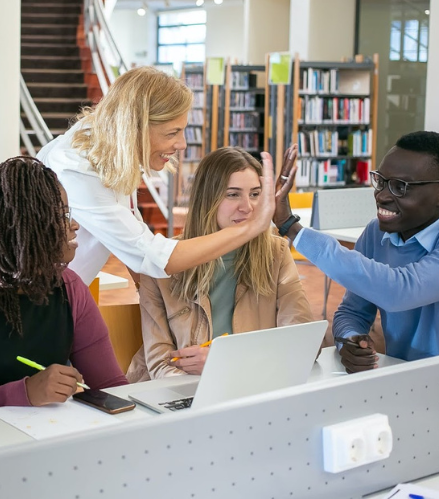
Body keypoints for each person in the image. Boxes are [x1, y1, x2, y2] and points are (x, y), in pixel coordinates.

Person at [273, 131, 439, 373]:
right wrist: (350, 340)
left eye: (399, 187)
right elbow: (352, 311)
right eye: (381, 181)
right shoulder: (377, 233)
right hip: (401, 379)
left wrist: (293, 228)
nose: (381, 196)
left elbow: (399, 290)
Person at [37, 66, 276, 285]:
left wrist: (153, 302)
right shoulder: (76, 170)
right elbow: (148, 255)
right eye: (172, 133)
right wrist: (250, 228)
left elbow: (132, 235)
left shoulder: (111, 147)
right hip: (37, 300)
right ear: (135, 129)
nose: (181, 144)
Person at [0, 157, 128, 412]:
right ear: (21, 228)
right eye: (61, 215)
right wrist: (24, 393)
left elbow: (111, 386)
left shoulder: (70, 288)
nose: (74, 226)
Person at [129, 147, 316, 381]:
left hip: (250, 385)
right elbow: (159, 364)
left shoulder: (275, 253)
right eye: (233, 194)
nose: (247, 207)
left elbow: (301, 342)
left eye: (255, 194)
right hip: (180, 392)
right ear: (208, 199)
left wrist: (225, 363)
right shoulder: (160, 262)